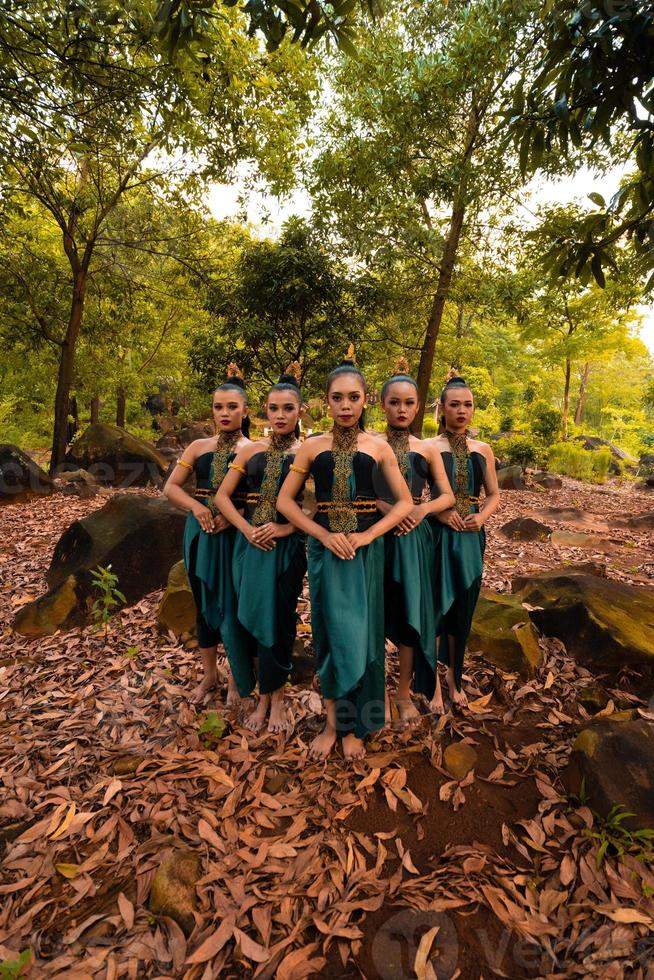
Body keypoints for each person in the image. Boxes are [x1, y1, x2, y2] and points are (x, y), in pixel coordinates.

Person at [277, 351, 413, 762]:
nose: (346, 406)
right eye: (337, 398)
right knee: (331, 633)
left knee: (366, 635)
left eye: (354, 398)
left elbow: (405, 503)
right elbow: (286, 502)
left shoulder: (379, 447)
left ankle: (359, 725)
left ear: (367, 399)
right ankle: (334, 722)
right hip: (325, 552)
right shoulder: (311, 447)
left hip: (367, 552)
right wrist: (322, 534)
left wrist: (368, 535)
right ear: (326, 401)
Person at [215, 367, 306, 735]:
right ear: (264, 412)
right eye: (273, 408)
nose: (280, 415)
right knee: (248, 616)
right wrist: (247, 529)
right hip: (248, 547)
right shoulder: (251, 450)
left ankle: (277, 698)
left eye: (288, 408)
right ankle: (259, 691)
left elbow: (320, 508)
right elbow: (222, 495)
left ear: (300, 412)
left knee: (281, 620)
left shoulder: (309, 452)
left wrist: (285, 528)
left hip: (287, 549)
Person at [163, 365, 250, 705]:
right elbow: (170, 487)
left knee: (232, 603)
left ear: (245, 410)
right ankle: (210, 675)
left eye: (232, 406)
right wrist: (197, 508)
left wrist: (237, 515)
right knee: (204, 602)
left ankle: (235, 678)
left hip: (234, 536)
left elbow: (262, 499)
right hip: (201, 532)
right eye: (218, 407)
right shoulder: (199, 446)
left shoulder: (254, 449)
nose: (224, 413)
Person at [376, 359, 455, 727]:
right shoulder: (369, 445)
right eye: (394, 402)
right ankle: (374, 690)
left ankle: (404, 693)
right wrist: (385, 508)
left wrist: (421, 511)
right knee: (373, 614)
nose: (402, 409)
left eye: (409, 402)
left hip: (412, 540)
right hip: (374, 538)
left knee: (410, 615)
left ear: (418, 406)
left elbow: (446, 495)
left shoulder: (426, 449)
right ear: (382, 405)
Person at [427, 374, 500, 712]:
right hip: (438, 535)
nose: (461, 410)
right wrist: (441, 516)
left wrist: (481, 518)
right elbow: (416, 495)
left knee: (463, 608)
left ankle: (455, 678)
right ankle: (433, 688)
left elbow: (494, 494)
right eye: (454, 404)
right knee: (437, 607)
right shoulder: (428, 447)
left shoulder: (482, 449)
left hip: (471, 536)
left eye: (467, 404)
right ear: (441, 408)